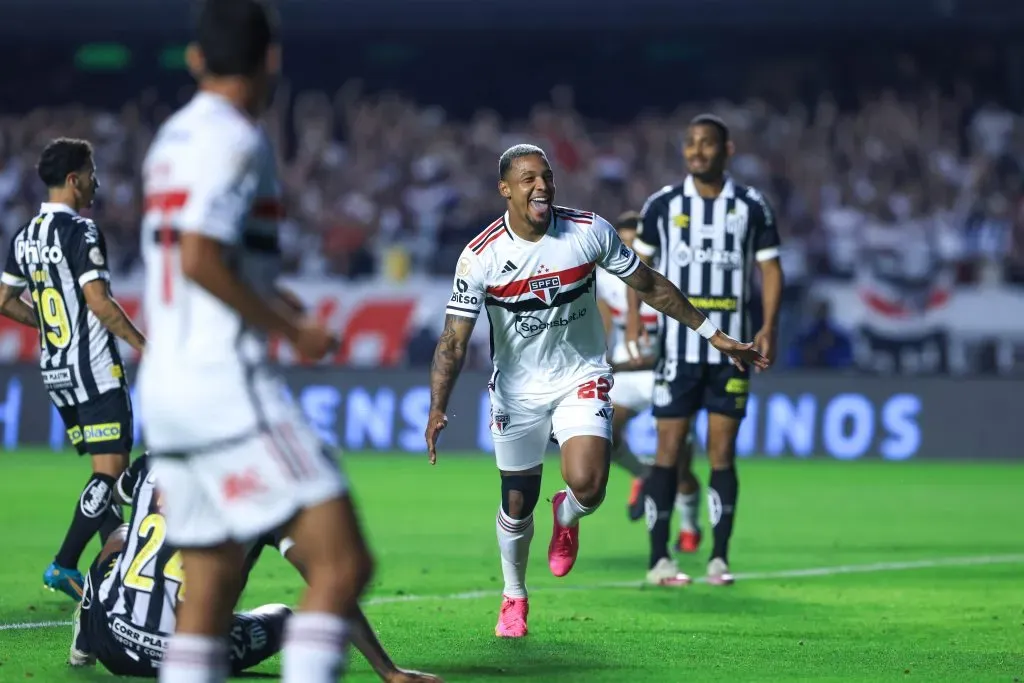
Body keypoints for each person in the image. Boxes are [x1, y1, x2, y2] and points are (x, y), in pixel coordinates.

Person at [424, 143, 768, 638]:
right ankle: (514, 595)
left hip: (580, 376)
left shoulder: (587, 231)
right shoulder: (480, 257)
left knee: (589, 485)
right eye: (528, 179)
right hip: (517, 392)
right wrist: (438, 407)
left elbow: (649, 285)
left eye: (546, 176)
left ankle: (567, 514)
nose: (541, 186)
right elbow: (453, 342)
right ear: (505, 190)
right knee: (516, 502)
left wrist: (712, 334)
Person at [137, 2, 373, 682]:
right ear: (271, 58)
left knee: (208, 586)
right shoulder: (238, 140)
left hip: (168, 388)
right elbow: (200, 257)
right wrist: (291, 328)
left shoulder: (172, 138)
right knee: (341, 562)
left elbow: (202, 255)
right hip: (223, 383)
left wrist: (273, 298)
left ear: (195, 59)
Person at [69, 454, 442, 683]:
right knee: (284, 617)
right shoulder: (260, 489)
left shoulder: (157, 458)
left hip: (114, 644)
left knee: (119, 536)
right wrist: (387, 670)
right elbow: (327, 579)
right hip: (192, 652)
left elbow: (117, 495)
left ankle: (83, 643)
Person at [626, 113, 784, 586]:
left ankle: (719, 558)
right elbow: (640, 268)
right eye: (691, 144)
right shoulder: (661, 206)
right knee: (667, 453)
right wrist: (636, 319)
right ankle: (659, 559)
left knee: (722, 455)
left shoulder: (751, 206)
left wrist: (768, 326)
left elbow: (771, 269)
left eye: (707, 144)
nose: (697, 151)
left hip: (733, 350)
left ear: (727, 150)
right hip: (677, 351)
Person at [0, 137, 145, 601]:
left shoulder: (24, 236)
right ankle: (65, 564)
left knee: (103, 473)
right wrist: (144, 346)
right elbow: (98, 301)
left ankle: (115, 573)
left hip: (57, 373)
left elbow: (3, 299)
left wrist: (45, 325)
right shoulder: (81, 232)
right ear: (73, 179)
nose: (96, 181)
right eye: (92, 172)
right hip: (96, 368)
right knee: (111, 474)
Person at [596, 212, 704, 554]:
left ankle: (688, 526)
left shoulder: (672, 276)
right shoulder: (606, 278)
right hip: (627, 374)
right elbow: (603, 327)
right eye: (623, 243)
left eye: (635, 243)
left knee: (679, 464)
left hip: (666, 373)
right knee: (603, 437)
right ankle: (642, 472)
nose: (629, 250)